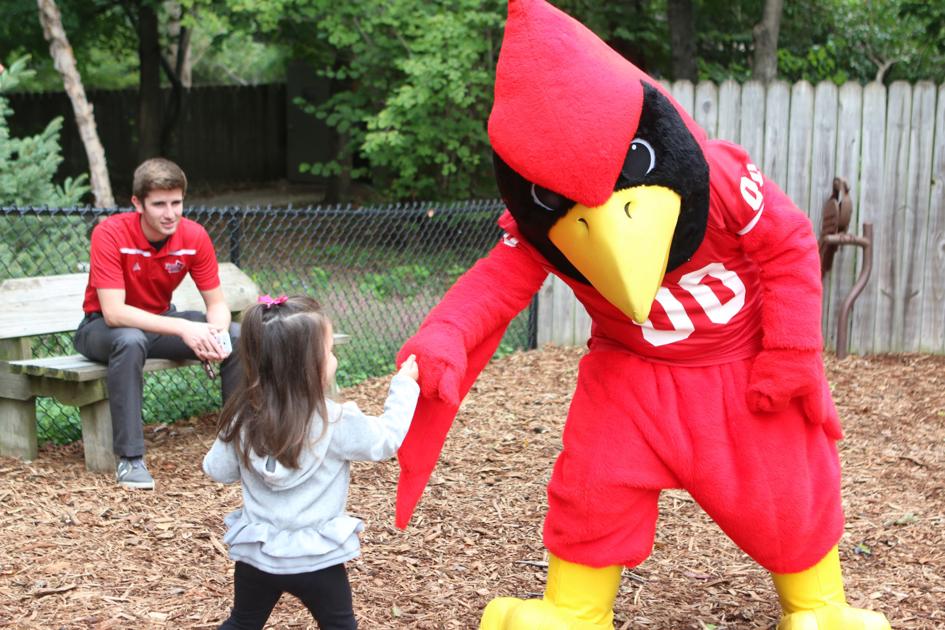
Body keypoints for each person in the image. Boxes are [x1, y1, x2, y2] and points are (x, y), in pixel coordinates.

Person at [203, 295, 420, 630]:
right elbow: (386, 439)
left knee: (242, 623)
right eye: (329, 351)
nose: (334, 358)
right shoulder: (335, 421)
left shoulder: (243, 419)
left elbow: (217, 470)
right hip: (318, 561)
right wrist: (405, 385)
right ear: (308, 367)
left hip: (258, 557)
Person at [74, 157, 240, 490]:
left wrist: (216, 333)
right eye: (159, 204)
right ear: (137, 203)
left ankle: (238, 444)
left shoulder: (194, 236)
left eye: (176, 203)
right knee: (130, 339)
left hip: (159, 323)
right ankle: (130, 459)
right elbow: (114, 313)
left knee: (237, 335)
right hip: (101, 329)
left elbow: (217, 305)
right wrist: (185, 329)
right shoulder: (110, 233)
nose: (170, 213)